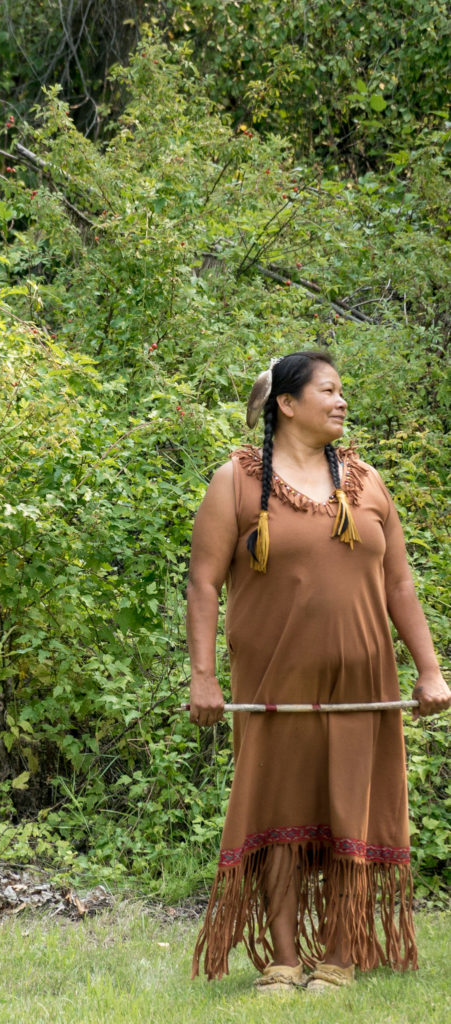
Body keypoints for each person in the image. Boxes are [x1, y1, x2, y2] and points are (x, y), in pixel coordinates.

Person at [187, 350, 450, 993]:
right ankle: (281, 957)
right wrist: (203, 674)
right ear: (286, 403)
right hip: (275, 681)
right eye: (327, 391)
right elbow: (202, 581)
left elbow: (400, 585)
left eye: (342, 392)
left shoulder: (367, 479)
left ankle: (338, 954)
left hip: (364, 686)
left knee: (349, 810)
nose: (341, 401)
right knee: (279, 810)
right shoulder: (237, 481)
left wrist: (430, 671)